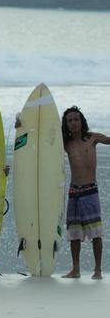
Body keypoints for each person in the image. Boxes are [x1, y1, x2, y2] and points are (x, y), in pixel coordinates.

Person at [60, 106, 110, 280]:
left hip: (90, 190)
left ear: (81, 121)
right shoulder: (65, 143)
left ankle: (98, 270)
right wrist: (20, 125)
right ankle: (76, 269)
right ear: (66, 124)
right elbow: (45, 142)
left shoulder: (92, 138)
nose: (73, 123)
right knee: (74, 233)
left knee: (96, 232)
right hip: (74, 191)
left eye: (76, 119)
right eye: (69, 121)